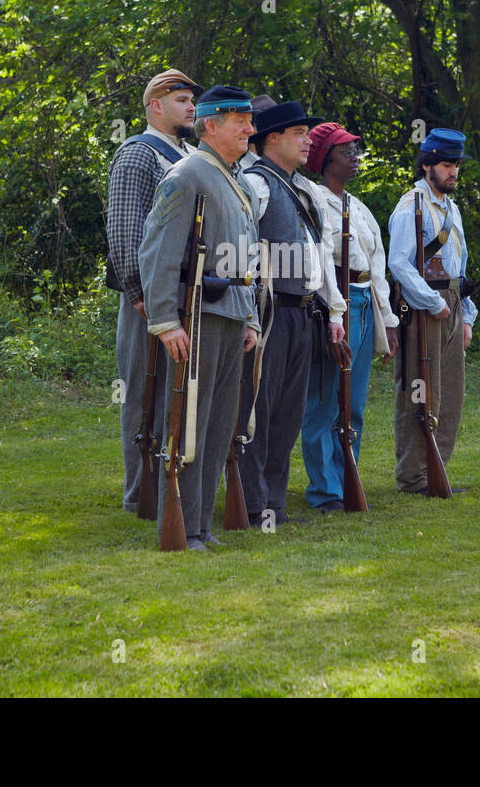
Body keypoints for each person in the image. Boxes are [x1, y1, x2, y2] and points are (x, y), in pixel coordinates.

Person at [137, 85, 261, 550]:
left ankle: (200, 525)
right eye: (240, 121)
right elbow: (158, 251)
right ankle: (184, 526)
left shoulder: (236, 177)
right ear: (211, 125)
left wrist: (249, 318)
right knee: (189, 422)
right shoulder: (186, 174)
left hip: (229, 313)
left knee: (217, 425)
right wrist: (166, 320)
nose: (250, 128)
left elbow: (244, 257)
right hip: (198, 316)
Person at [236, 101, 347, 526]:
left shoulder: (304, 189)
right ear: (273, 139)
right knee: (258, 411)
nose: (307, 140)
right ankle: (250, 503)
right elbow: (242, 255)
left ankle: (274, 504)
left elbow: (320, 256)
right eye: (299, 132)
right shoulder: (254, 184)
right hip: (269, 312)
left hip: (304, 313)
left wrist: (333, 311)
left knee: (288, 413)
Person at [106, 68, 202, 515]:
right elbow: (125, 231)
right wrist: (140, 294)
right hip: (149, 300)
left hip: (187, 294)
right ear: (154, 106)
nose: (191, 107)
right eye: (181, 100)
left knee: (179, 394)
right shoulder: (138, 154)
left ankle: (173, 489)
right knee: (144, 397)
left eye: (191, 100)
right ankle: (140, 496)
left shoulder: (190, 154)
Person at [299, 122, 399, 512]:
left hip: (364, 303)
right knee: (325, 400)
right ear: (325, 159)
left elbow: (378, 266)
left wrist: (388, 322)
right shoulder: (313, 199)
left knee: (353, 404)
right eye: (346, 152)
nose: (354, 158)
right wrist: (333, 314)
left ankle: (347, 478)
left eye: (355, 151)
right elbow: (318, 264)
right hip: (332, 305)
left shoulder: (358, 207)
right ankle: (325, 492)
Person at [388, 128, 477, 495]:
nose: (453, 171)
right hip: (426, 306)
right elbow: (400, 264)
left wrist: (466, 314)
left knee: (450, 394)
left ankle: (436, 469)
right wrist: (434, 302)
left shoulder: (450, 208)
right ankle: (413, 476)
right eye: (446, 164)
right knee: (420, 392)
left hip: (450, 304)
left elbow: (461, 266)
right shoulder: (411, 207)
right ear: (427, 166)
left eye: (456, 164)